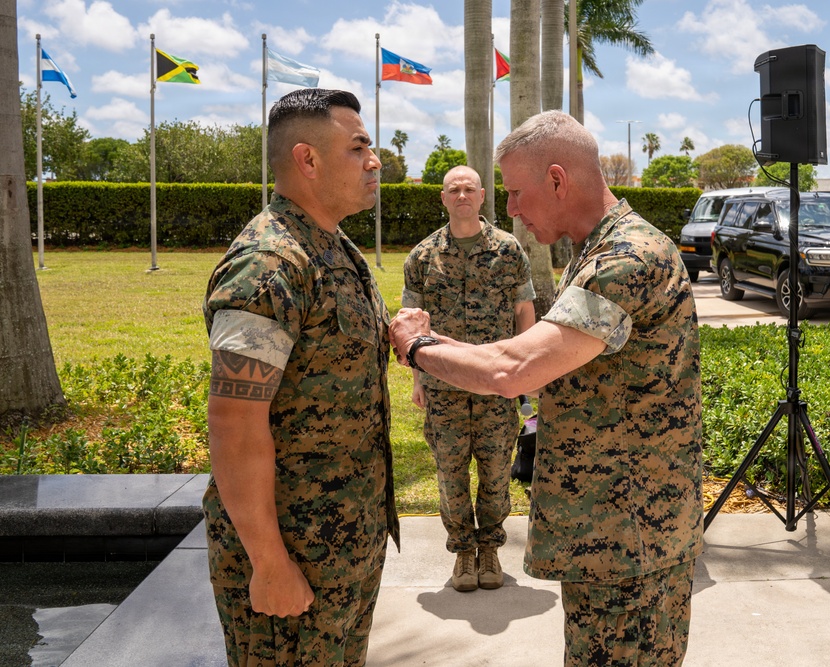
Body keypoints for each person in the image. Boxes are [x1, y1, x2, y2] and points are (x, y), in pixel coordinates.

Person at [390, 111, 703, 666]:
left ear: (558, 180)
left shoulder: (624, 259)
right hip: (611, 530)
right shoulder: (595, 249)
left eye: (513, 191)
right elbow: (530, 350)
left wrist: (417, 347)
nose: (507, 209)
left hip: (630, 537)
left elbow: (515, 369)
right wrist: (436, 340)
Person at [202, 88, 398, 667]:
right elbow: (235, 421)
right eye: (359, 146)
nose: (375, 160)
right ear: (307, 160)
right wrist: (268, 562)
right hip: (294, 550)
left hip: (344, 539)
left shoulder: (333, 248)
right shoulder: (269, 264)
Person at [402, 165, 536, 592]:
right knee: (450, 472)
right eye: (452, 189)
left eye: (468, 189)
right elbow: (413, 325)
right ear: (443, 198)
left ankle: (490, 549)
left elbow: (524, 314)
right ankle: (463, 552)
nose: (461, 195)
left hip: (497, 385)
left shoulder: (509, 250)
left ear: (482, 196)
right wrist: (418, 379)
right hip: (444, 387)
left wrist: (526, 372)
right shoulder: (422, 256)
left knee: (497, 471)